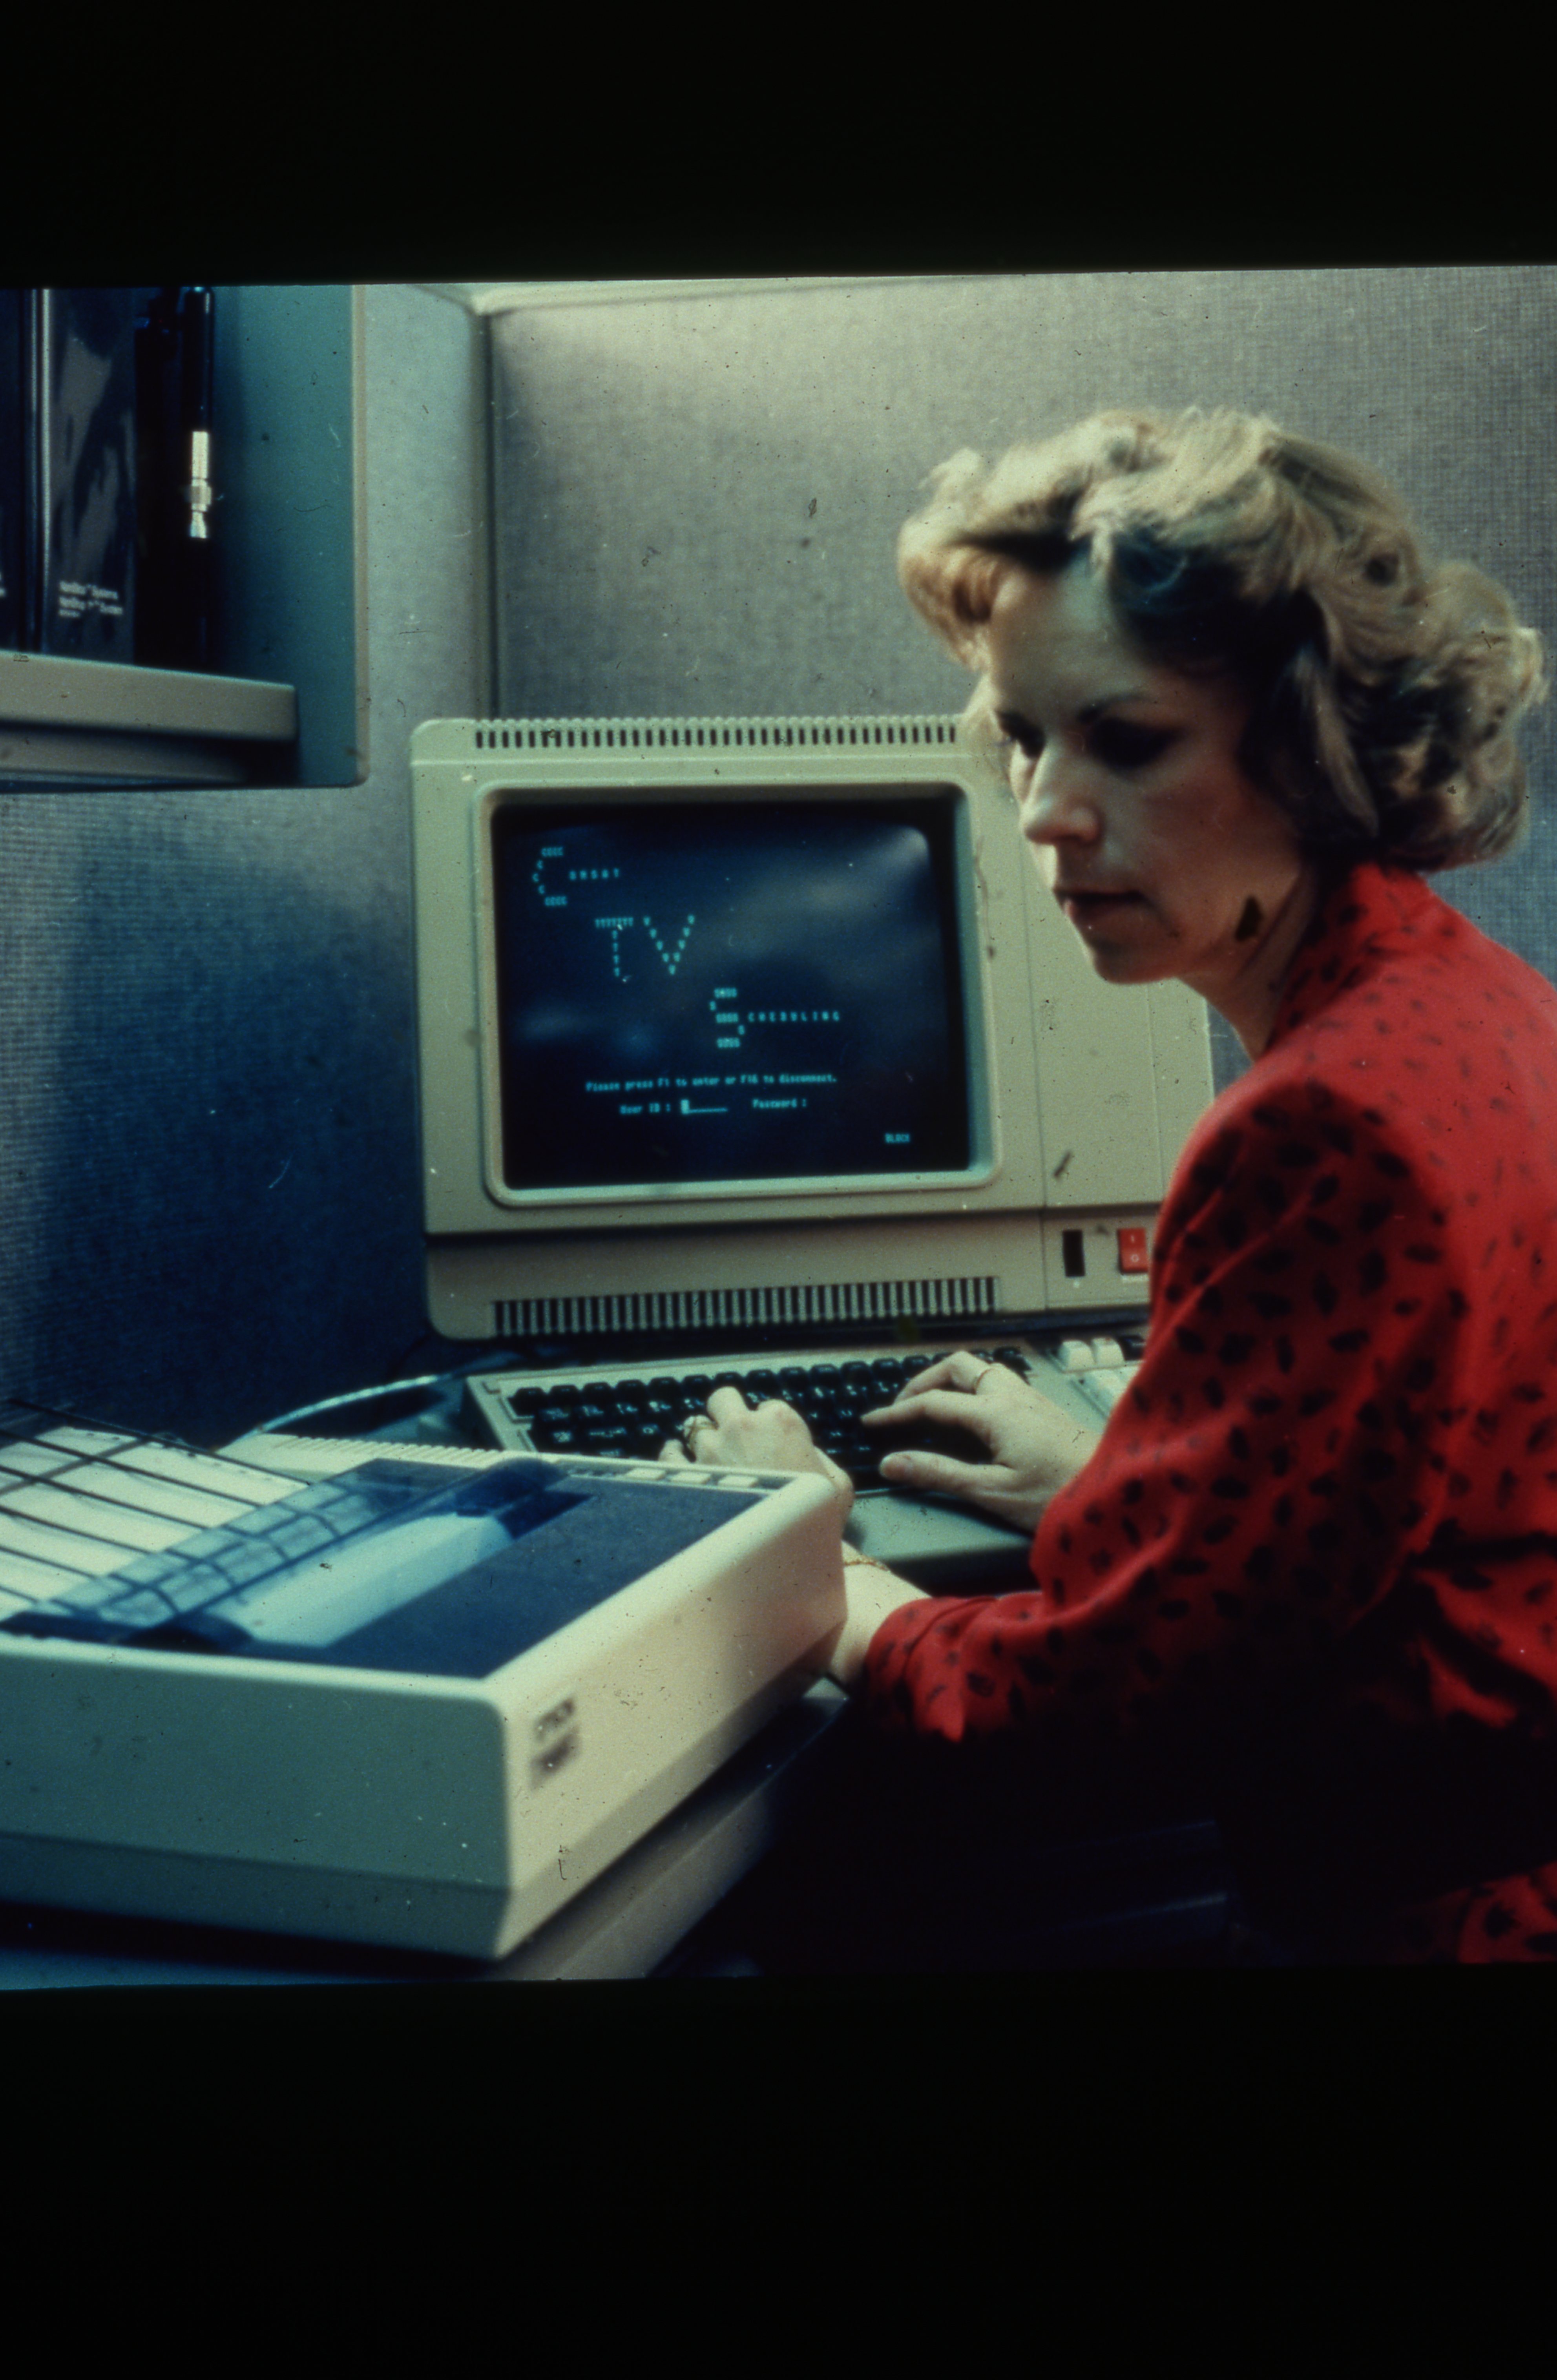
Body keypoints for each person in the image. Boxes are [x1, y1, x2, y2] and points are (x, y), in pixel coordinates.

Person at [663, 405, 1557, 1965]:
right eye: (1023, 734)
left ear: (1313, 744)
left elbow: (1084, 1719)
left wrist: (816, 1565)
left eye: (1128, 742)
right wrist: (1111, 1485)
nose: (1041, 810)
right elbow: (1395, 1534)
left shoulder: (1324, 1123)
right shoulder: (1479, 1004)